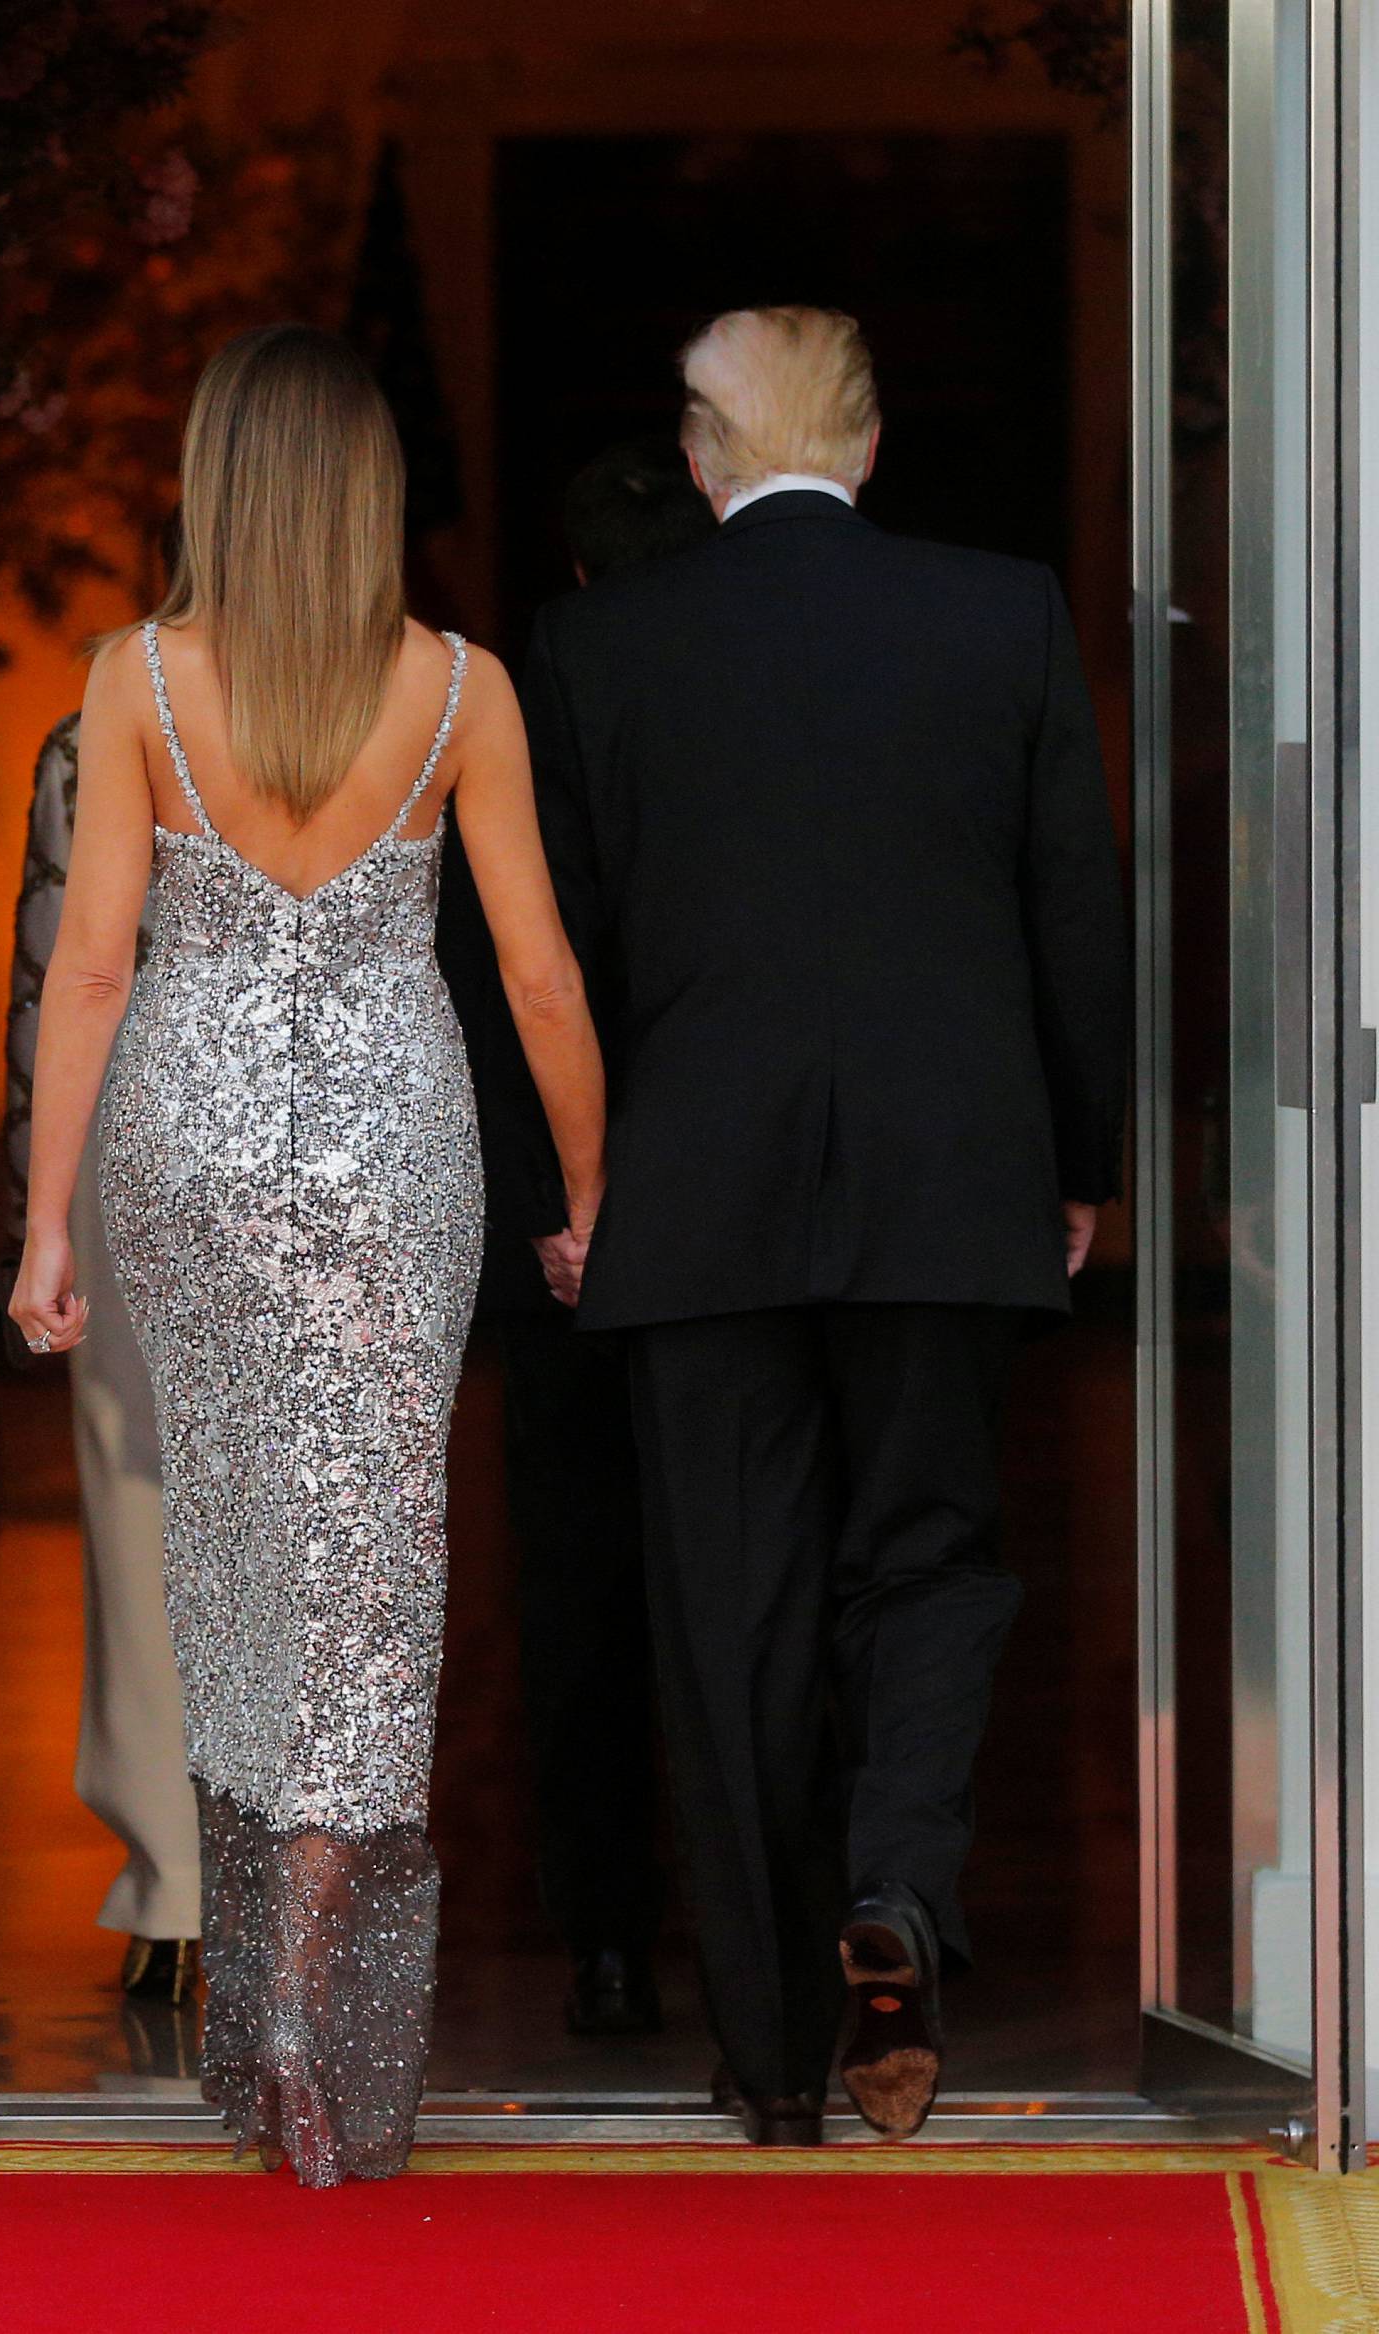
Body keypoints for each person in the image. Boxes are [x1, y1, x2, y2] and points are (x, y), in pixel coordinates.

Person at [519, 306, 1128, 2145]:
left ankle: (776, 2052)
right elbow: (1074, 917)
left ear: (702, 468)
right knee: (930, 1556)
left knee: (730, 1607)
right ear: (867, 451)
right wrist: (1080, 1161)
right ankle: (901, 1887)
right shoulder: (1003, 610)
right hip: (953, 1179)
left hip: (691, 1197)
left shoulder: (596, 641)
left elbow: (561, 961)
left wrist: (576, 1189)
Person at [10, 323, 607, 2187]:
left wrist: (44, 1215)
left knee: (237, 1547)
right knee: (373, 1557)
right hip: (387, 1153)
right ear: (370, 498)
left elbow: (93, 966)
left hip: (183, 1144)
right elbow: (533, 976)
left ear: (218, 484)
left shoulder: (135, 683)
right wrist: (594, 1189)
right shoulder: (459, 690)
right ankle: (329, 2031)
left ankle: (253, 1986)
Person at [450, 438, 716, 2038]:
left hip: (578, 1230)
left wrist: (557, 1207)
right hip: (740, 1215)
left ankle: (609, 1936)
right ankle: (776, 1916)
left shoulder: (533, 701)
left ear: (573, 579)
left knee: (581, 1595)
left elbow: (506, 989)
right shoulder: (754, 708)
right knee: (754, 1578)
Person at [0, 712, 202, 2004]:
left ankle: (178, 1886)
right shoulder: (403, 691)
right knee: (327, 1522)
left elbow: (61, 969)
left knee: (143, 1510)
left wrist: (40, 1207)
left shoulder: (103, 729)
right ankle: (320, 1866)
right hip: (351, 1138)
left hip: (144, 1136)